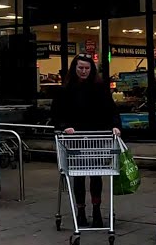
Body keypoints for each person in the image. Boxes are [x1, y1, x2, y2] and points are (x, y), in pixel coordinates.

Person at [52, 54, 121, 227]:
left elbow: (112, 110)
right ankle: (80, 210)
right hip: (75, 138)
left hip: (97, 137)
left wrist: (115, 126)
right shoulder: (65, 90)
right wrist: (64, 126)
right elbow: (56, 114)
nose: (84, 71)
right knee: (78, 176)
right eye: (80, 68)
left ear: (92, 70)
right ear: (74, 69)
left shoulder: (100, 88)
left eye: (87, 68)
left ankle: (96, 209)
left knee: (96, 175)